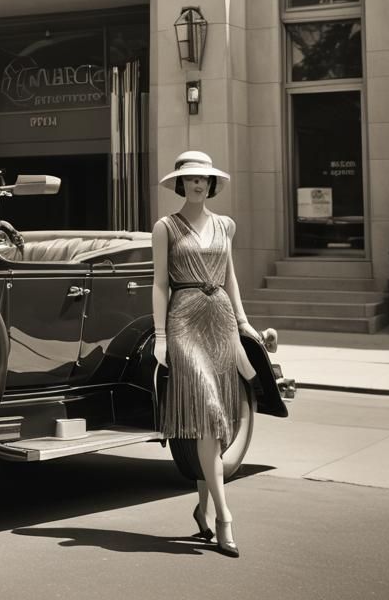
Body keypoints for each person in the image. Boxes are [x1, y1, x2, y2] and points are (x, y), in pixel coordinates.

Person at [151, 150, 264, 558]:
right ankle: (224, 517)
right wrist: (161, 335)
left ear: (211, 184)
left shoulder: (225, 225)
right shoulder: (165, 227)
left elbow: (230, 276)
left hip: (220, 323)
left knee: (213, 425)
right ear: (180, 183)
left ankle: (200, 508)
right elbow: (160, 284)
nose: (199, 184)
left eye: (204, 178)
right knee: (209, 413)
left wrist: (243, 321)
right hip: (183, 323)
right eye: (191, 178)